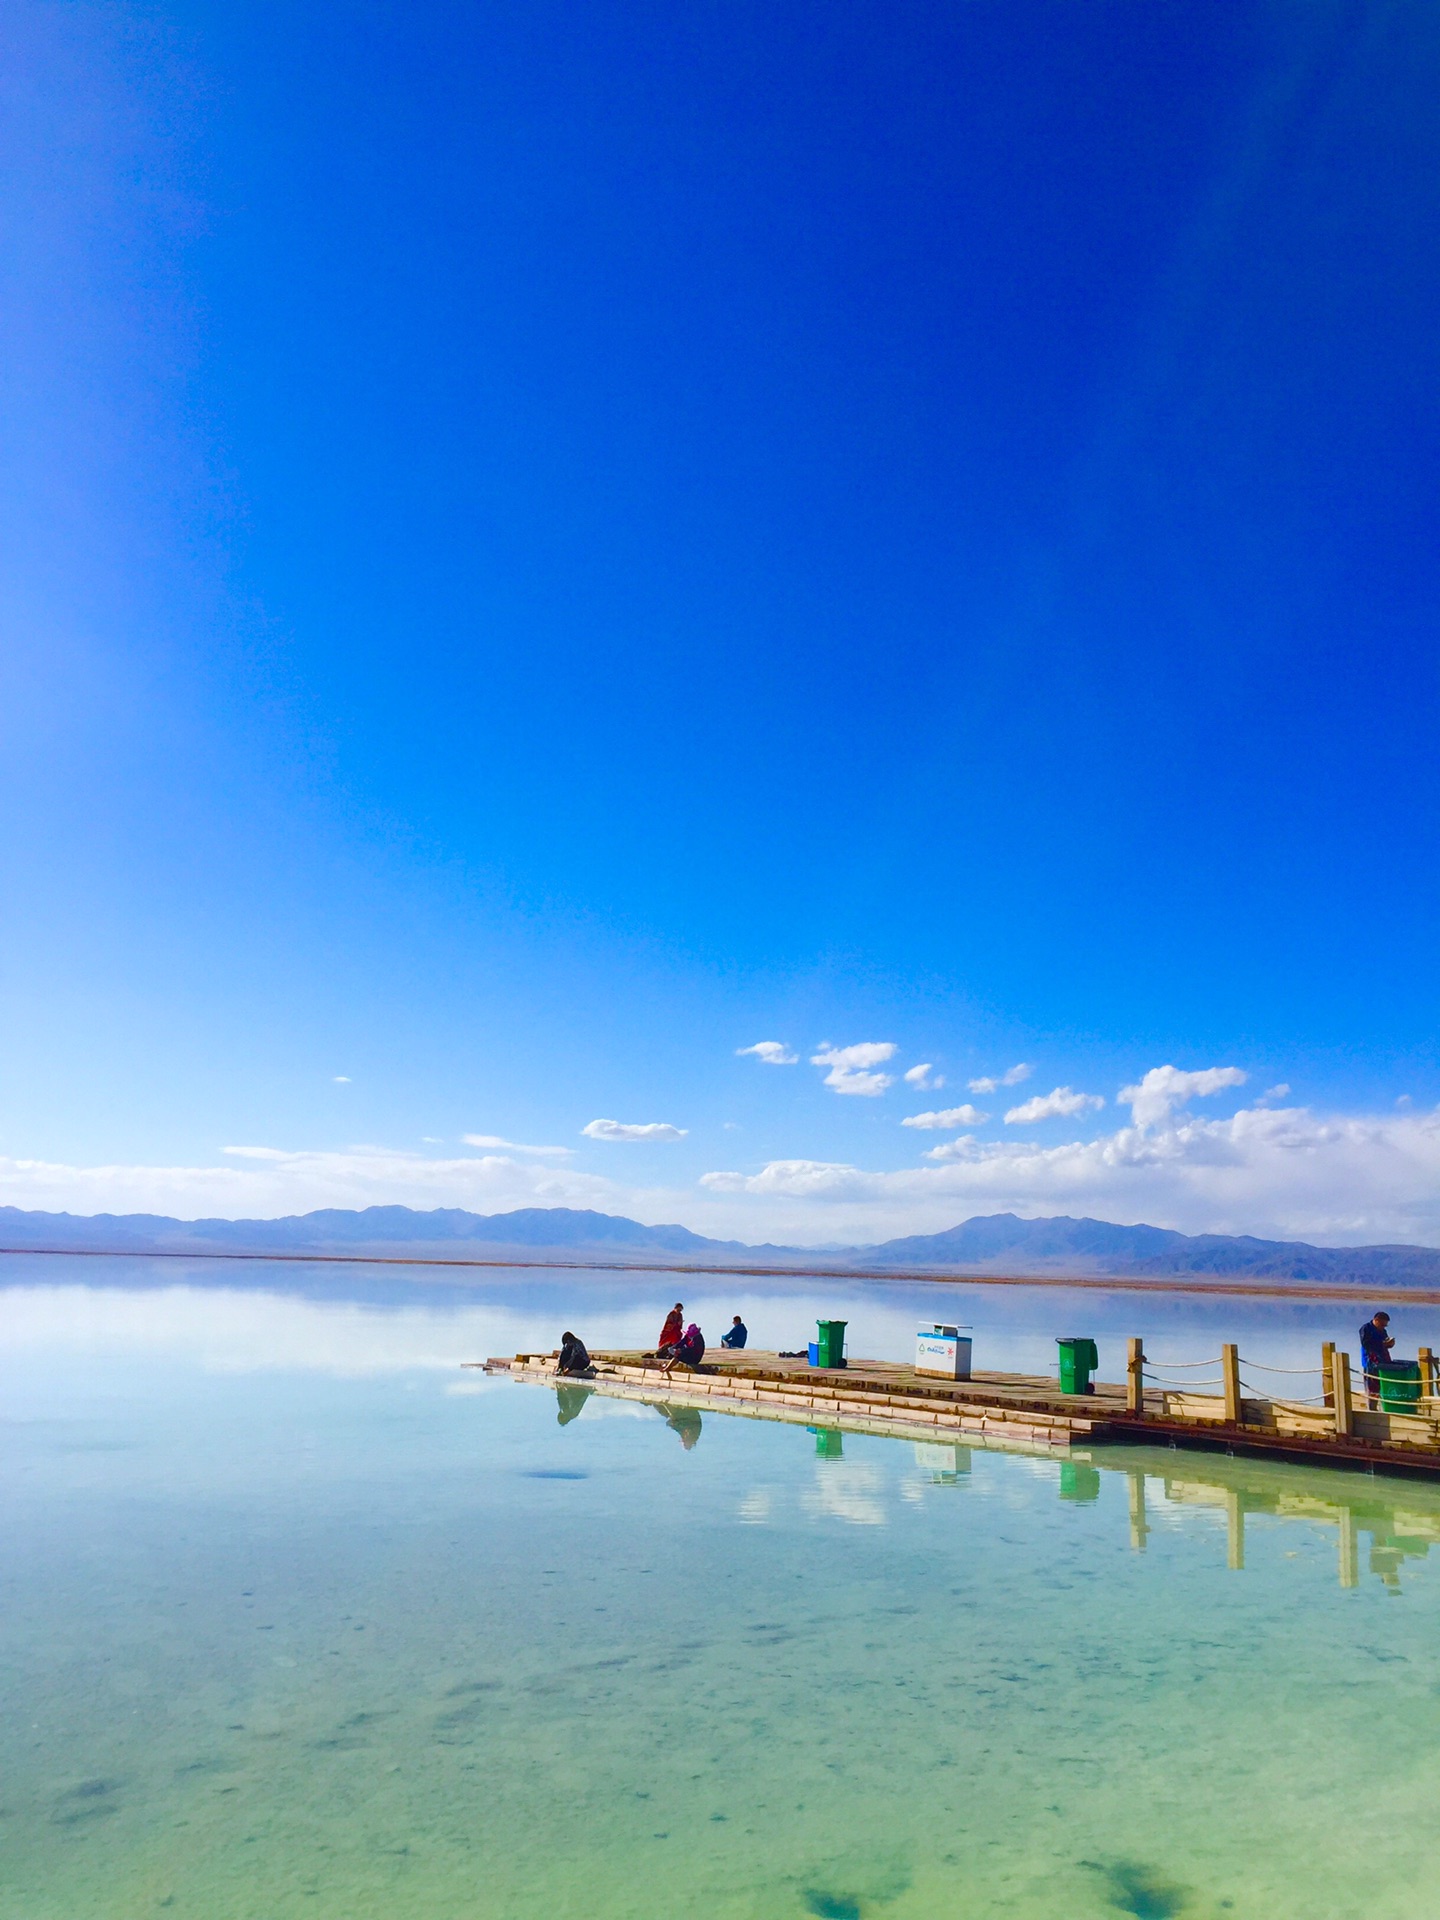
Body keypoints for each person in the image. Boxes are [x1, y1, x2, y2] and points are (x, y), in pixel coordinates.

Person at [1360, 1312, 1394, 1406]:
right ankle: (1372, 1407)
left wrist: (1389, 1344)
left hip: (1382, 1361)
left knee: (1382, 1385)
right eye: (1382, 1324)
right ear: (1376, 1320)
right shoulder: (1366, 1329)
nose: (1384, 1327)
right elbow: (1366, 1344)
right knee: (1371, 1386)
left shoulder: (1382, 1331)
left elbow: (1385, 1342)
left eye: (1385, 1325)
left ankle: (1383, 1405)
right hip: (1370, 1361)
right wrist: (1381, 1344)